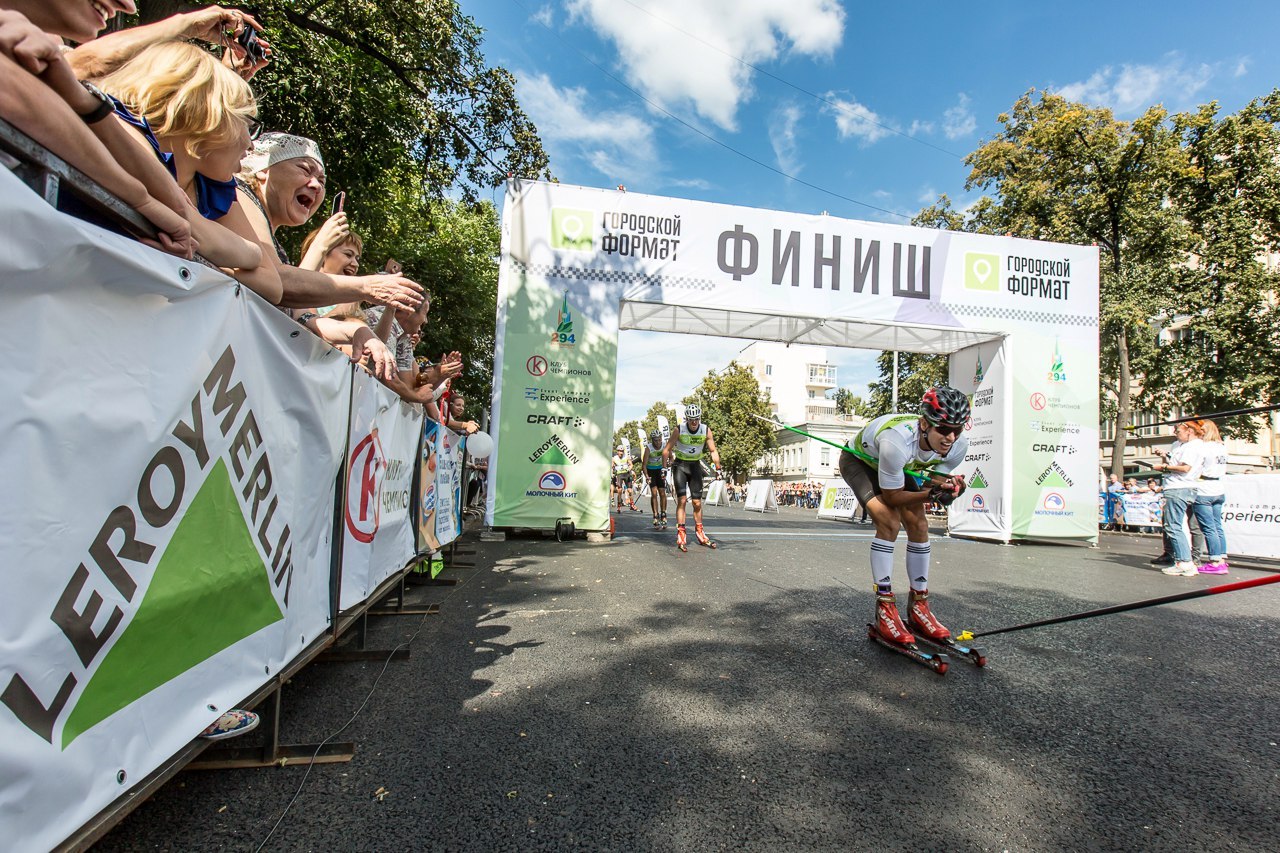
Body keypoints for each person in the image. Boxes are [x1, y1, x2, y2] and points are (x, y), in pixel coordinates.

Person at [837, 385, 970, 646]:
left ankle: (919, 606)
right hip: (860, 461)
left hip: (898, 467)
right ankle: (885, 608)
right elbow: (893, 497)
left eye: (957, 429)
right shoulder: (896, 441)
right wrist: (931, 495)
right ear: (924, 424)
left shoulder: (957, 445)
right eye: (943, 429)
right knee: (889, 521)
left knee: (919, 524)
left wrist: (947, 490)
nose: (950, 438)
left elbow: (929, 486)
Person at [662, 403, 721, 552]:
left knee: (696, 503)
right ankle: (681, 532)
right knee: (682, 500)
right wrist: (664, 467)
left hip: (695, 466)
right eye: (691, 419)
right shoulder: (679, 429)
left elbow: (713, 451)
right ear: (687, 418)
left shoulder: (705, 430)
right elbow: (666, 450)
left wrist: (718, 468)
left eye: (696, 419)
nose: (694, 422)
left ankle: (700, 532)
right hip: (680, 466)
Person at [1152, 420, 1205, 577]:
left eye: (1178, 431)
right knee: (1174, 525)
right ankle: (1186, 562)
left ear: (1189, 430)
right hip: (1180, 486)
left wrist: (1164, 467)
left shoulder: (1193, 446)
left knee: (1173, 525)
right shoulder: (1181, 445)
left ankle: (1184, 562)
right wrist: (1165, 460)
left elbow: (1184, 468)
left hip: (1179, 488)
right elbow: (1175, 466)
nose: (1176, 433)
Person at [1193, 420, 1229, 574]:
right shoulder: (1222, 447)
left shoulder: (1203, 448)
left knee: (1208, 527)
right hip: (1219, 489)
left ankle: (1214, 561)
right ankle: (1221, 559)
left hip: (1204, 489)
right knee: (1217, 525)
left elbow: (1195, 467)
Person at [640, 429, 668, 529]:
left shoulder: (665, 444)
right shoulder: (649, 448)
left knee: (662, 492)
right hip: (651, 470)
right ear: (652, 440)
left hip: (660, 469)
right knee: (654, 493)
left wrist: (670, 463)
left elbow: (671, 456)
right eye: (655, 440)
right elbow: (644, 465)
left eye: (659, 439)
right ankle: (655, 515)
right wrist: (647, 476)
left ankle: (663, 514)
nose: (658, 442)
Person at [611, 445, 637, 512]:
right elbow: (612, 467)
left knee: (630, 491)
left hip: (627, 474)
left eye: (622, 451)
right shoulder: (614, 458)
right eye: (619, 451)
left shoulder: (626, 457)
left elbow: (631, 464)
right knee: (619, 491)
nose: (621, 453)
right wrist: (612, 472)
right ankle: (619, 506)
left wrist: (629, 469)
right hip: (619, 475)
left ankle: (632, 505)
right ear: (617, 452)